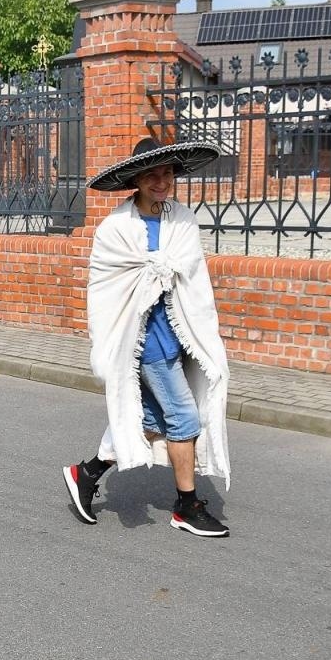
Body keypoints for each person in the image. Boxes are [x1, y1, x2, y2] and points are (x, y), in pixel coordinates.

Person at [61, 137, 232, 536]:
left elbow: (194, 281)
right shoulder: (116, 229)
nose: (161, 181)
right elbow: (106, 289)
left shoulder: (182, 220)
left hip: (179, 338)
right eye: (152, 174)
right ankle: (186, 506)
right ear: (136, 180)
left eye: (168, 173)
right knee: (184, 418)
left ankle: (86, 473)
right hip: (143, 342)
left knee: (152, 419)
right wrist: (154, 271)